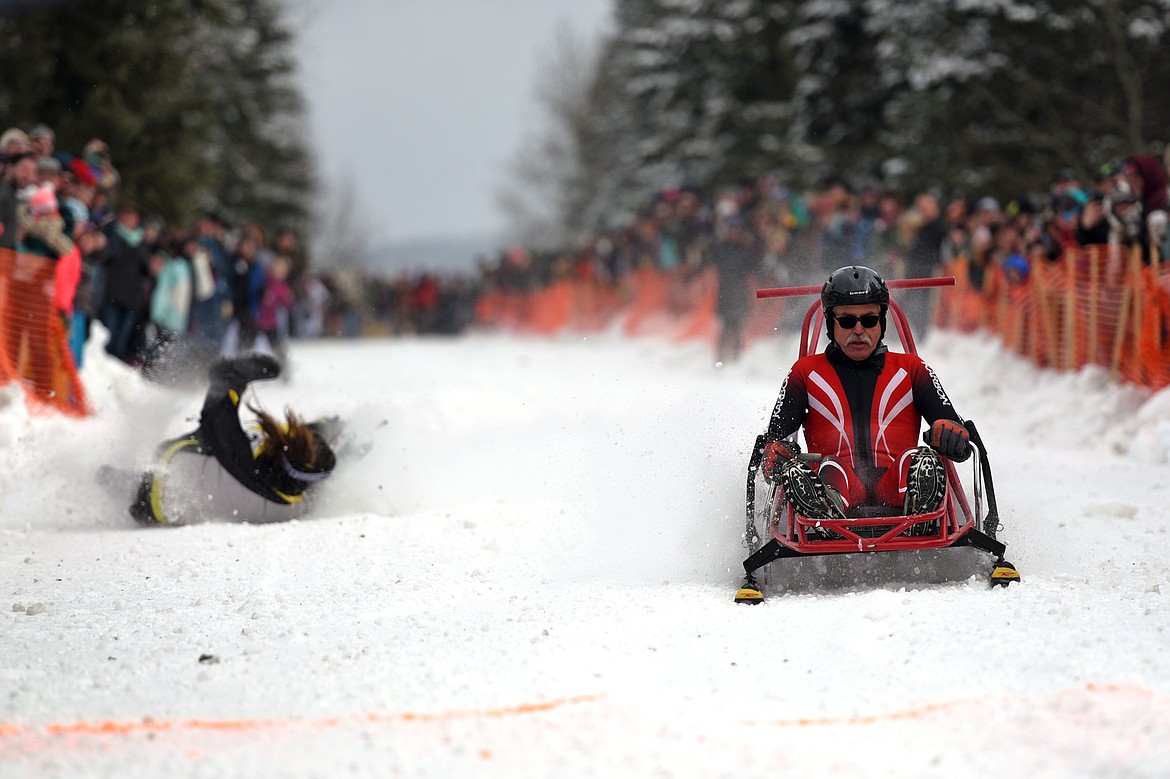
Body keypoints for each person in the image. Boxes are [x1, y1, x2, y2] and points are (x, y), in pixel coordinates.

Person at [756, 265, 971, 527]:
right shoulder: (804, 373)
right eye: (847, 321)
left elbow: (954, 431)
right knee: (824, 469)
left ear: (881, 322)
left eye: (868, 320)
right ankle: (827, 515)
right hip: (836, 484)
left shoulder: (913, 368)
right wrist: (776, 454)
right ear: (830, 324)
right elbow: (775, 447)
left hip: (899, 485)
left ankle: (918, 517)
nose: (858, 330)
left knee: (921, 460)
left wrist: (950, 434)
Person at [123, 353, 337, 526]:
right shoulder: (295, 496)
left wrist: (231, 381)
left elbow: (216, 419)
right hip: (161, 499)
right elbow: (310, 462)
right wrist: (328, 427)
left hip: (164, 477)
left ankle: (126, 483)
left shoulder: (250, 469)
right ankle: (121, 481)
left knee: (216, 437)